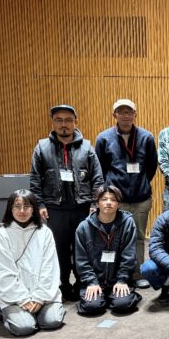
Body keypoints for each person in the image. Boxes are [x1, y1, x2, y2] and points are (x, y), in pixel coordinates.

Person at [30, 104, 104, 301]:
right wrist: (40, 204)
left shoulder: (87, 147)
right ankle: (62, 284)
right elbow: (35, 180)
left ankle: (82, 283)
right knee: (59, 250)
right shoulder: (42, 148)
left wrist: (95, 204)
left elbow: (97, 179)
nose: (64, 125)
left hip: (83, 208)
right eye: (59, 120)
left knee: (83, 248)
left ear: (75, 122)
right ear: (52, 122)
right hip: (55, 209)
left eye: (68, 120)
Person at [95, 99, 158, 289]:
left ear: (135, 115)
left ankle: (137, 274)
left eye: (129, 112)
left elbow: (151, 167)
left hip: (140, 199)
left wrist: (139, 183)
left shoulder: (146, 137)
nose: (125, 115)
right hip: (116, 201)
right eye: (121, 112)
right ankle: (116, 276)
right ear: (114, 115)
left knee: (138, 237)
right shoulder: (104, 138)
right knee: (114, 238)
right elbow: (100, 169)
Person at [0, 189, 65, 336]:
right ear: (10, 209)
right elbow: (3, 272)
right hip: (14, 296)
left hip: (43, 293)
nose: (22, 211)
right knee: (24, 328)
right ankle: (3, 311)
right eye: (17, 206)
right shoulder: (0, 236)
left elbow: (50, 267)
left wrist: (39, 298)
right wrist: (23, 299)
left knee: (52, 321)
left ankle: (36, 312)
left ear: (34, 209)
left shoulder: (45, 232)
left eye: (27, 206)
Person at [74, 186, 142, 315]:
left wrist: (122, 280)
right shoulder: (83, 227)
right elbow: (81, 261)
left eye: (113, 199)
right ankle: (103, 297)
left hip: (117, 280)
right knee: (91, 307)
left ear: (119, 204)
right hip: (95, 281)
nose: (109, 202)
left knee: (122, 304)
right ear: (97, 203)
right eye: (104, 199)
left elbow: (129, 256)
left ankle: (114, 296)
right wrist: (91, 282)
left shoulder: (128, 223)